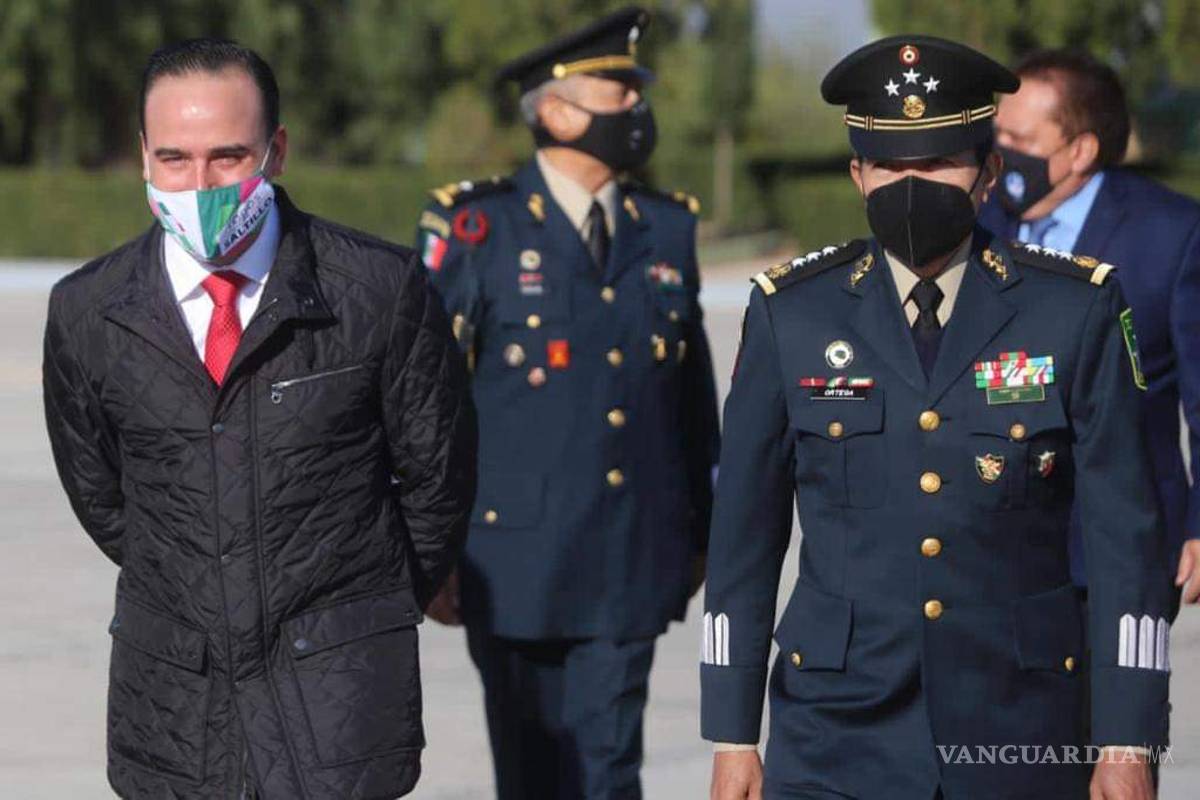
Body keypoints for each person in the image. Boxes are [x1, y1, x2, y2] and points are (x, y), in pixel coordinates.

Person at [702, 35, 1170, 800]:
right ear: (858, 174)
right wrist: (732, 734)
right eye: (890, 166)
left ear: (988, 173)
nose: (912, 186)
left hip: (1021, 725)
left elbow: (1128, 540)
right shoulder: (793, 313)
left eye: (940, 163)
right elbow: (744, 538)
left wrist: (1128, 738)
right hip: (835, 728)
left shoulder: (1072, 310)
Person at [42, 38, 476, 799]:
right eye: (174, 158)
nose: (199, 185)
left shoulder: (378, 290)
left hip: (338, 707)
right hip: (176, 711)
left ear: (276, 151)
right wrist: (200, 581)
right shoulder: (88, 312)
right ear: (143, 155)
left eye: (228, 157)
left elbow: (439, 479)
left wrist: (357, 609)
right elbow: (104, 497)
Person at [417, 6, 720, 799]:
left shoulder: (665, 228)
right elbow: (430, 403)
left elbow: (692, 396)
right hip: (511, 564)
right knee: (529, 774)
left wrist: (704, 530)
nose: (638, 110)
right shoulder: (477, 228)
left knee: (608, 772)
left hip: (630, 556)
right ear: (555, 112)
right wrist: (429, 549)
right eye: (620, 94)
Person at [979, 49, 1200, 613]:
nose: (1001, 152)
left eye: (1021, 140)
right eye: (997, 134)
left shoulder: (1172, 234)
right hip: (991, 551)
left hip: (1122, 550)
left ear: (1081, 151)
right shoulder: (976, 221)